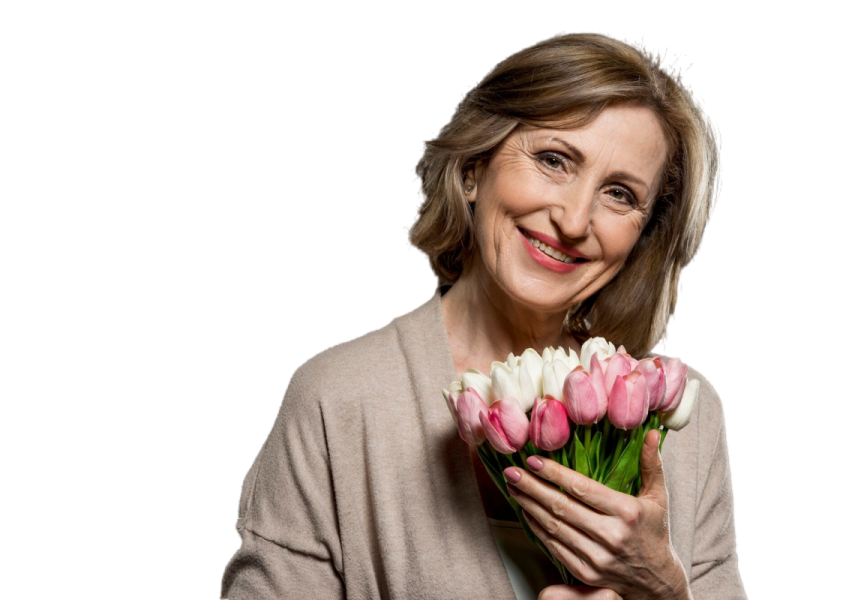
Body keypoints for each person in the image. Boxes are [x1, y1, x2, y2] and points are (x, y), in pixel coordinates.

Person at [220, 31, 744, 600]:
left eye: (619, 193)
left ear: (643, 235)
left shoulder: (682, 414)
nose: (573, 220)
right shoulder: (338, 401)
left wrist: (664, 589)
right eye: (553, 160)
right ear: (474, 166)